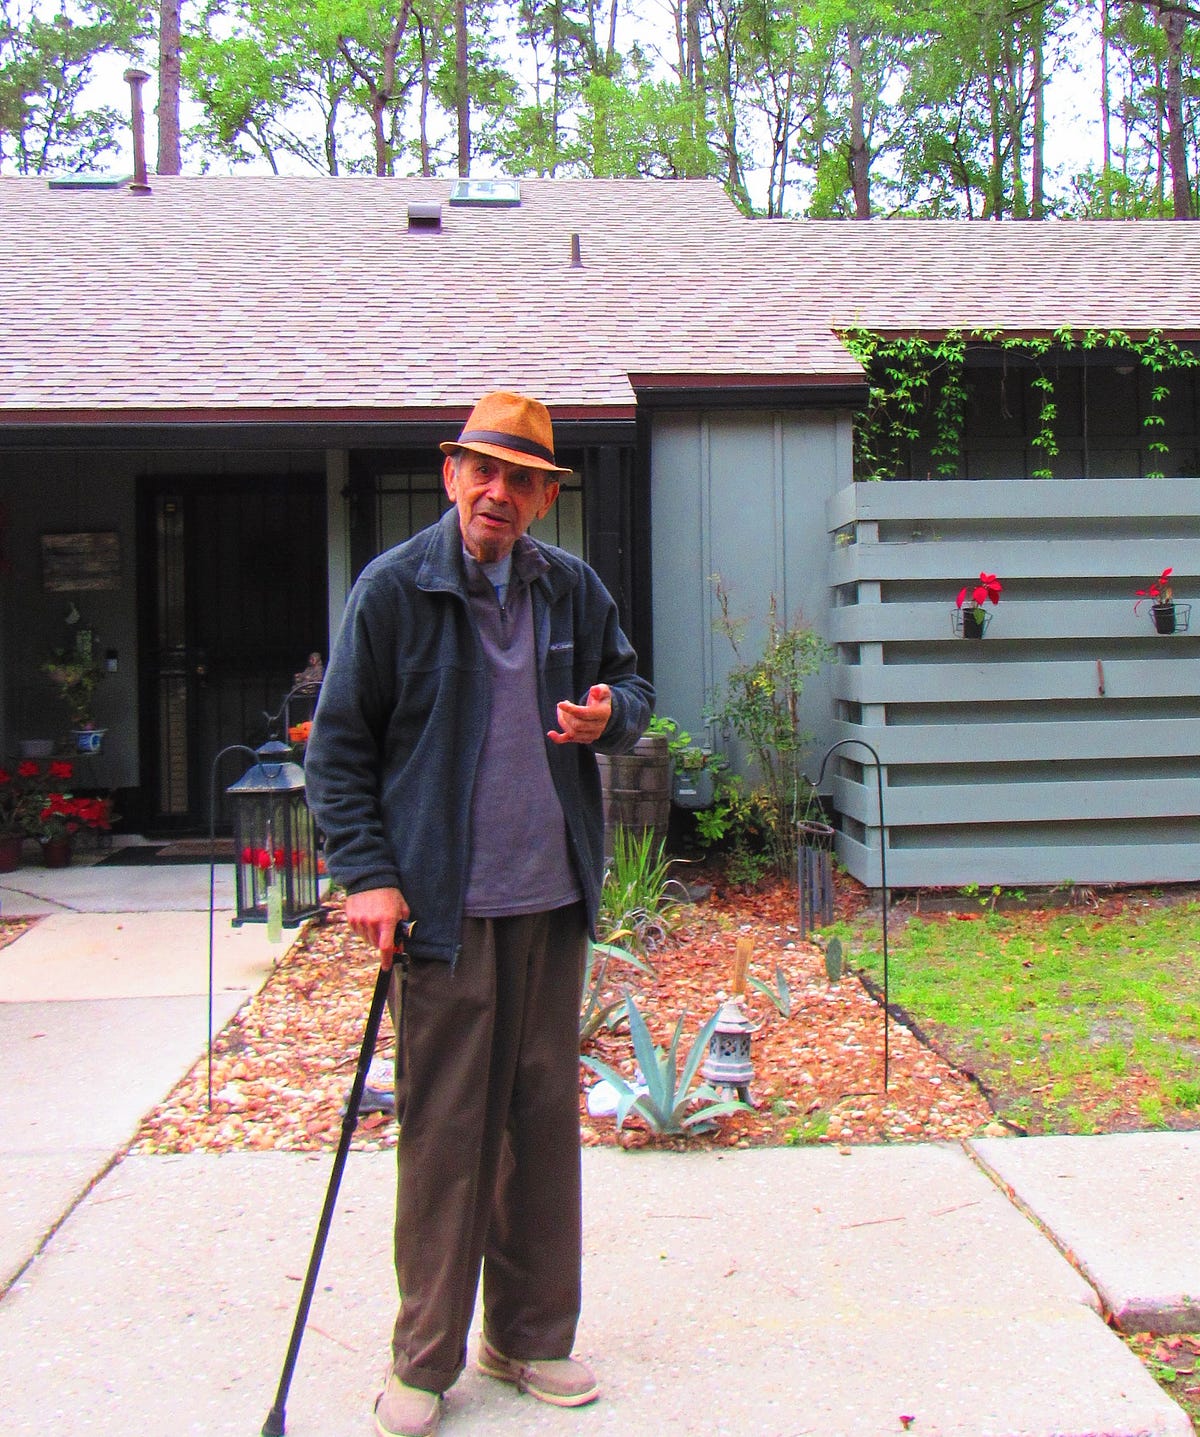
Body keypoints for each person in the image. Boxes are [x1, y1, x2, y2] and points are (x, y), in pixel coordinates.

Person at [304, 391, 654, 1437]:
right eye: (484, 471)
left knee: (540, 1124)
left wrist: (608, 716)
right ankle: (424, 1358)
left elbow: (630, 688)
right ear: (452, 473)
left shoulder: (571, 587)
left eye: (522, 479)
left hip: (551, 901)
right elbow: (339, 749)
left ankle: (530, 1335)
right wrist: (368, 873)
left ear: (544, 497)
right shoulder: (394, 589)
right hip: (444, 910)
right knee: (448, 1132)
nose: (499, 492)